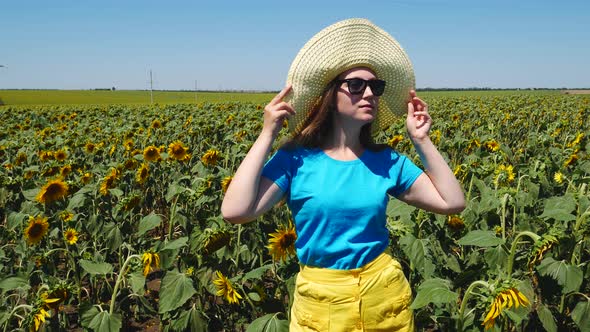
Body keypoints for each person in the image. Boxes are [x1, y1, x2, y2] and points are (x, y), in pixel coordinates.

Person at [221, 18, 465, 331]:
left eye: (375, 87)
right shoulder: (296, 159)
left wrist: (421, 140)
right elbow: (235, 211)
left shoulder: (387, 161)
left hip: (384, 301)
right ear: (329, 95)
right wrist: (267, 134)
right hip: (322, 306)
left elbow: (453, 202)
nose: (369, 94)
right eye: (356, 85)